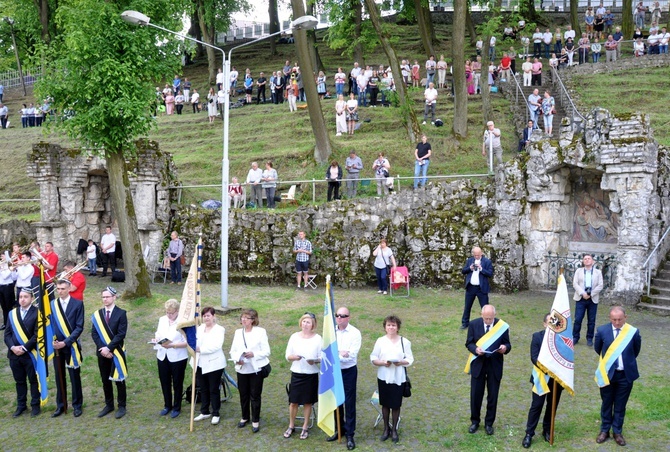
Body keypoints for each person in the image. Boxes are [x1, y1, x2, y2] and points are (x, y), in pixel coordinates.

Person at [594, 306, 641, 447]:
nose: (617, 322)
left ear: (625, 318)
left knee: (620, 405)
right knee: (606, 403)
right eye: (614, 320)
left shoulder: (633, 332)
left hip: (625, 375)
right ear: (610, 318)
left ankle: (617, 432)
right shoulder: (602, 331)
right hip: (607, 374)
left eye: (620, 319)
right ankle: (604, 430)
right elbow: (598, 349)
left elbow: (636, 350)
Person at [465, 305, 511, 436]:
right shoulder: (473, 324)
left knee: (493, 396)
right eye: (486, 318)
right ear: (481, 315)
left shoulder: (501, 327)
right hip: (478, 365)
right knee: (475, 395)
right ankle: (475, 421)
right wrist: (475, 349)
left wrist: (504, 348)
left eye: (491, 318)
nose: (488, 321)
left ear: (494, 316)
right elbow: (469, 343)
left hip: (494, 366)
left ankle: (489, 423)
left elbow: (508, 344)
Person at [522, 313, 564, 448]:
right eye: (548, 323)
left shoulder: (561, 339)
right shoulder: (537, 337)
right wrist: (548, 369)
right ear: (544, 324)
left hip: (556, 380)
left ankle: (547, 430)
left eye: (553, 323)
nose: (550, 326)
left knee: (552, 406)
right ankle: (529, 433)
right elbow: (534, 357)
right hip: (541, 377)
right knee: (536, 405)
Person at [370, 315, 413, 443]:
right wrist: (382, 362)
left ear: (398, 327)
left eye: (393, 325)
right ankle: (385, 429)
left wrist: (401, 362)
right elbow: (373, 357)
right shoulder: (380, 341)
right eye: (388, 325)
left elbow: (410, 358)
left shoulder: (404, 342)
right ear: (385, 327)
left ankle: (394, 429)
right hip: (383, 375)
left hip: (398, 376)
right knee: (385, 404)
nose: (391, 327)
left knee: (395, 404)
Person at [229, 308, 271, 434]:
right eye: (242, 317)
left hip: (255, 368)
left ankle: (255, 420)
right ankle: (245, 416)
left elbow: (266, 351)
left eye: (246, 318)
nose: (243, 320)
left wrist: (254, 354)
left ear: (253, 320)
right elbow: (233, 350)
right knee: (243, 394)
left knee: (255, 395)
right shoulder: (237, 332)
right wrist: (238, 359)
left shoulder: (260, 332)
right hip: (242, 368)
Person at [326, 306, 361, 450]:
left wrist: (337, 354)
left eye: (343, 316)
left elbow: (351, 355)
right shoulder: (331, 331)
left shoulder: (355, 333)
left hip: (348, 372)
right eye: (337, 315)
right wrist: (341, 353)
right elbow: (328, 351)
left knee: (349, 402)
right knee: (336, 402)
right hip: (334, 371)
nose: (339, 318)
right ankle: (339, 429)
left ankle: (350, 434)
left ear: (348, 317)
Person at [91, 286, 128, 419]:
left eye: (107, 297)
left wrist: (109, 348)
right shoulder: (97, 315)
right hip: (102, 352)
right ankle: (109, 404)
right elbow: (94, 333)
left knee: (119, 379)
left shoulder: (121, 313)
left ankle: (122, 405)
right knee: (105, 379)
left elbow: (121, 334)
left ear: (114, 297)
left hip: (116, 351)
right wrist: (103, 349)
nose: (105, 299)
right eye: (103, 297)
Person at [50, 279, 84, 418]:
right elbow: (50, 325)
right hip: (56, 346)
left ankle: (77, 405)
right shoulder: (53, 304)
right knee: (59, 377)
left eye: (63, 288)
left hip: (71, 346)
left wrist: (66, 342)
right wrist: (53, 341)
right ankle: (61, 404)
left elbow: (79, 326)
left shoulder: (78, 304)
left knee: (74, 377)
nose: (60, 291)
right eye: (58, 289)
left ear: (69, 288)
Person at [284, 312, 322, 440]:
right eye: (304, 322)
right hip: (297, 373)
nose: (305, 324)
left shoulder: (318, 338)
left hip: (310, 374)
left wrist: (315, 360)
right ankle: (291, 425)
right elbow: (287, 355)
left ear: (313, 325)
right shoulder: (294, 336)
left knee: (307, 402)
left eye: (308, 322)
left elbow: (322, 357)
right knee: (293, 402)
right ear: (301, 323)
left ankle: (305, 426)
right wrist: (294, 357)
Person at [5, 288, 40, 417]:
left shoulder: (37, 313)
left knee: (33, 380)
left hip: (30, 354)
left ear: (31, 298)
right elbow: (7, 334)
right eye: (20, 297)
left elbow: (37, 335)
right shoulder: (12, 313)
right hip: (14, 354)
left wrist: (24, 348)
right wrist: (13, 347)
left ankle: (35, 405)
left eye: (25, 297)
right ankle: (21, 406)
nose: (22, 299)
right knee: (19, 381)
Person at [153, 299, 188, 418]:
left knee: (177, 382)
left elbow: (187, 342)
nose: (169, 315)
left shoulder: (183, 322)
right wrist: (156, 340)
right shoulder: (162, 319)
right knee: (165, 381)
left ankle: (177, 406)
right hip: (163, 355)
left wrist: (173, 345)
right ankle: (167, 405)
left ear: (177, 311)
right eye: (167, 312)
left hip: (178, 356)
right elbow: (158, 333)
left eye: (171, 313)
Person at [193, 306, 226, 425]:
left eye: (208, 315)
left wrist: (200, 349)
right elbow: (194, 341)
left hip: (214, 363)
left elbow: (216, 346)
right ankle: (204, 411)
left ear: (213, 316)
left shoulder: (219, 329)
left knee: (213, 389)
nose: (206, 318)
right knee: (203, 388)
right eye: (204, 316)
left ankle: (216, 412)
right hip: (200, 363)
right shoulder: (200, 328)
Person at [572, 254, 604, 346]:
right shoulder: (579, 271)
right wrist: (582, 293)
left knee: (591, 320)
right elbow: (575, 283)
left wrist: (591, 294)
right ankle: (575, 337)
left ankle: (589, 338)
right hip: (580, 298)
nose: (587, 260)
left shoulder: (598, 272)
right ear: (583, 261)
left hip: (592, 299)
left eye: (588, 258)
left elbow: (600, 285)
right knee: (578, 319)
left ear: (592, 261)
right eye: (585, 259)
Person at [461, 246, 494, 329]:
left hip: (481, 289)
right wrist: (470, 268)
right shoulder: (470, 261)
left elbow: (490, 274)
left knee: (485, 308)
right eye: (475, 255)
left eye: (478, 255)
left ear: (481, 253)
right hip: (471, 288)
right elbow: (463, 271)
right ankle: (465, 323)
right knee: (467, 306)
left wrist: (481, 269)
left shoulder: (487, 262)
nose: (476, 256)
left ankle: (487, 324)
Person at [0, 260, 17, 329]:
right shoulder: (2, 266)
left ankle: (11, 323)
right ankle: (5, 323)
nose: (1, 258)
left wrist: (11, 270)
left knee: (9, 306)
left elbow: (8, 277)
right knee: (3, 306)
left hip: (8, 287)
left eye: (3, 256)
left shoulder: (10, 266)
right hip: (1, 286)